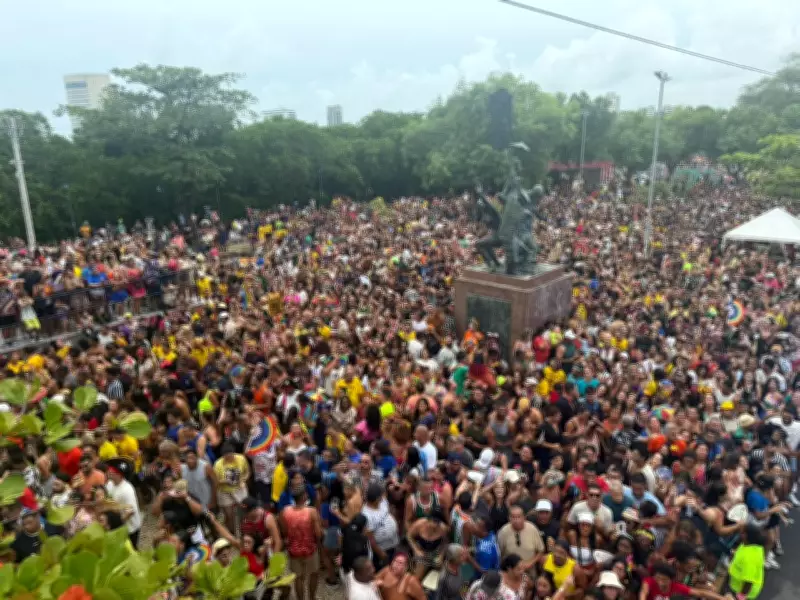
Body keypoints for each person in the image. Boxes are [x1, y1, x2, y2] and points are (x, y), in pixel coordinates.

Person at [280, 485, 322, 600]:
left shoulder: (285, 511)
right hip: (310, 549)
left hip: (293, 550)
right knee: (314, 574)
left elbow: (284, 531)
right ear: (304, 496)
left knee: (298, 577)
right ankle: (312, 597)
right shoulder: (312, 511)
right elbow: (318, 533)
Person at [105, 458, 141, 548]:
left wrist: (117, 524)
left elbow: (130, 511)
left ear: (119, 475)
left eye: (111, 471)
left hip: (130, 528)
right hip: (118, 525)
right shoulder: (110, 484)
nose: (108, 472)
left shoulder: (127, 490)